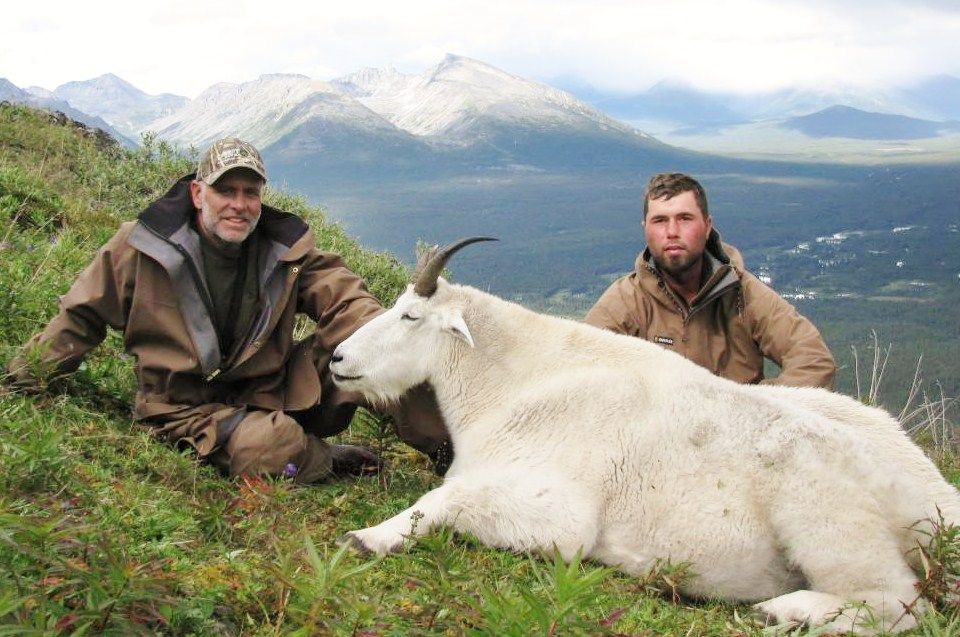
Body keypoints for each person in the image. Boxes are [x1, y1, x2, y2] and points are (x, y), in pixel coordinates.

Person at [6, 137, 443, 482]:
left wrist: (389, 336)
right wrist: (23, 379)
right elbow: (80, 316)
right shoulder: (142, 246)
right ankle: (324, 458)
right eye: (225, 190)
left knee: (382, 353)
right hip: (186, 409)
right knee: (273, 446)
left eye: (250, 192)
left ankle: (457, 453)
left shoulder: (284, 248)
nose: (239, 204)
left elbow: (344, 298)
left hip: (270, 388)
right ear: (198, 193)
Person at [585, 172, 836, 388]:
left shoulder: (743, 294)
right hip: (658, 428)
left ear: (707, 227)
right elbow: (579, 368)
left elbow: (814, 360)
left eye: (685, 218)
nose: (672, 232)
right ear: (645, 229)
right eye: (660, 221)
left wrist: (754, 411)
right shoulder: (626, 300)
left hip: (736, 427)